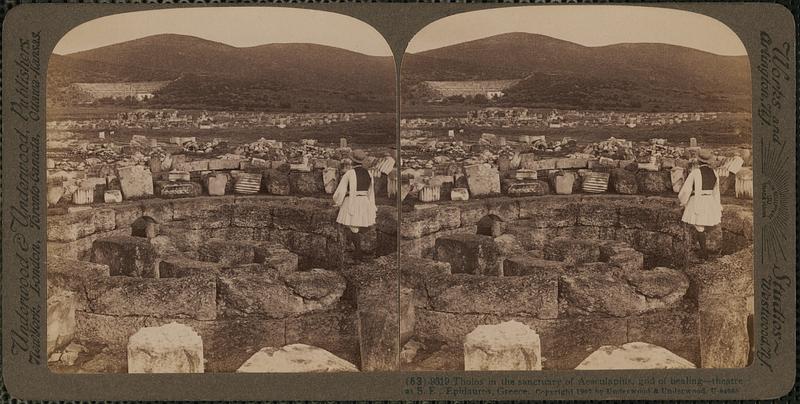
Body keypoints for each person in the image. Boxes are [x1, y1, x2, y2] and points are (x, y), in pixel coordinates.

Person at [333, 149, 377, 260]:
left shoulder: (349, 173)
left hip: (353, 201)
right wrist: (371, 205)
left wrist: (337, 201)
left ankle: (358, 252)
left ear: (352, 161)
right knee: (357, 225)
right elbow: (371, 191)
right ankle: (360, 251)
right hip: (364, 201)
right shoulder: (369, 173)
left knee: (353, 227)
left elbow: (340, 191)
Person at [678, 149, 722, 259]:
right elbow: (716, 191)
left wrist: (683, 201)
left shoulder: (695, 172)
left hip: (698, 200)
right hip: (710, 200)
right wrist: (717, 205)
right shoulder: (714, 173)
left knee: (699, 225)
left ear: (698, 161)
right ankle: (706, 251)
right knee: (703, 223)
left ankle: (704, 252)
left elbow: (686, 190)